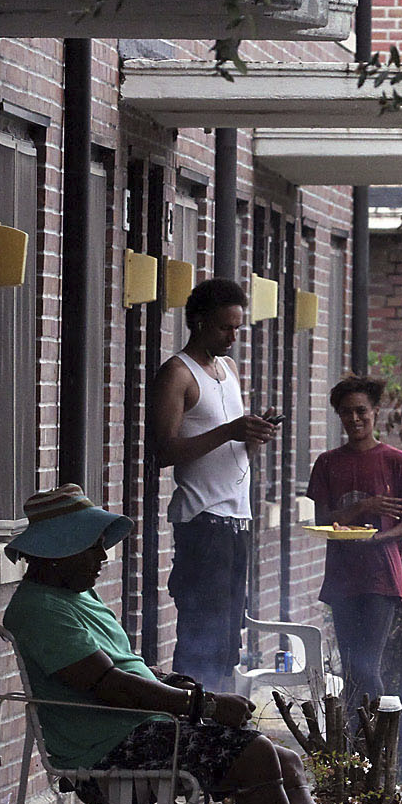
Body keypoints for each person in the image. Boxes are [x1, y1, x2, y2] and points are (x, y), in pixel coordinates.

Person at [0, 483, 402, 804]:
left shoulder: (75, 596)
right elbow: (107, 685)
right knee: (256, 755)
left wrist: (166, 681)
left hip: (139, 729)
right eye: (91, 549)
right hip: (107, 745)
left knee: (285, 759)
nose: (102, 559)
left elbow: (123, 670)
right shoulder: (39, 609)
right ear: (53, 554)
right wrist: (199, 703)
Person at [150, 277, 278, 693]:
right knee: (200, 639)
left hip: (238, 519)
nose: (233, 336)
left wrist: (253, 436)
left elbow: (233, 453)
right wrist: (229, 431)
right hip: (203, 523)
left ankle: (220, 729)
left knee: (227, 642)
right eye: (226, 327)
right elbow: (163, 451)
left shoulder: (229, 370)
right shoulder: (177, 373)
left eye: (239, 327)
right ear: (199, 322)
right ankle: (189, 733)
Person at [307, 374, 402, 712]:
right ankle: (356, 752)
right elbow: (323, 521)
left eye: (361, 411)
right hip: (342, 578)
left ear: (375, 412)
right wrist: (364, 507)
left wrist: (376, 538)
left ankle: (375, 746)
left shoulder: (395, 461)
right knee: (352, 668)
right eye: (345, 413)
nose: (354, 420)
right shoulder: (328, 463)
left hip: (381, 578)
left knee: (367, 666)